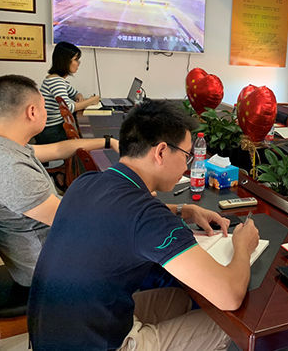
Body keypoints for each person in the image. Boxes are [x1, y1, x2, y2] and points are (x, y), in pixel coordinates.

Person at [29, 100, 260, 351]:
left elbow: (120, 214)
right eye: (186, 156)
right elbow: (230, 295)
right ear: (160, 152)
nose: (187, 165)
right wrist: (242, 246)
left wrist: (184, 209)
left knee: (180, 297)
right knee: (226, 325)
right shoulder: (148, 216)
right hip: (95, 344)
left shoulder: (86, 182)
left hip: (51, 333)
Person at [0, 74, 119, 287]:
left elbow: (57, 149)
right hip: (50, 270)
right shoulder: (10, 166)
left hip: (55, 250)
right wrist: (126, 197)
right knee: (142, 248)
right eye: (45, 106)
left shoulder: (10, 147)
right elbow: (77, 220)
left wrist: (108, 142)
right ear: (32, 112)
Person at [35, 41, 101, 144]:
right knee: (89, 136)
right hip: (51, 131)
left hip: (52, 128)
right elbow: (68, 107)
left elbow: (75, 93)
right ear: (65, 61)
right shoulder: (56, 82)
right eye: (76, 60)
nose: (78, 63)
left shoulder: (56, 79)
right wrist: (91, 101)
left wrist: (79, 97)